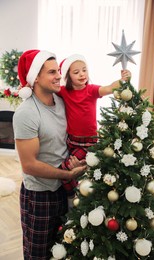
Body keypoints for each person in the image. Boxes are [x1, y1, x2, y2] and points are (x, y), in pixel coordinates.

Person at [13, 49, 87, 260]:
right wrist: (68, 175)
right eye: (52, 72)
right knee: (38, 255)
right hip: (39, 196)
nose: (58, 76)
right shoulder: (26, 113)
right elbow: (29, 165)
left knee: (63, 250)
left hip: (65, 191)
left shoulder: (63, 102)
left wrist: (77, 161)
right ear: (36, 76)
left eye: (59, 71)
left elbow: (69, 141)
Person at [58, 54, 131, 199]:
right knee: (72, 170)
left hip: (88, 143)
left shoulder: (91, 90)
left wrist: (123, 80)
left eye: (84, 70)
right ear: (67, 76)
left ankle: (73, 197)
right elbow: (48, 88)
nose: (82, 74)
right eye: (76, 72)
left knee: (64, 171)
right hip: (71, 142)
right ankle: (76, 196)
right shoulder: (64, 92)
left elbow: (109, 88)